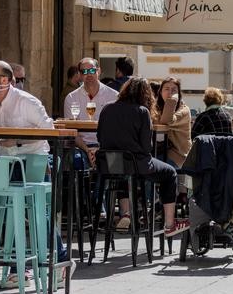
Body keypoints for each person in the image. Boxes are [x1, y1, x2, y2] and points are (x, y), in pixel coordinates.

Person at [0, 60, 73, 286]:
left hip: (33, 159)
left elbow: (48, 131)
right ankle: (16, 270)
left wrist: (18, 140)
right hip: (7, 160)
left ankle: (60, 260)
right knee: (12, 213)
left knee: (39, 213)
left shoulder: (27, 101)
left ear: (3, 80)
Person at [97, 77, 189, 236]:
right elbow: (147, 147)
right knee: (169, 173)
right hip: (138, 165)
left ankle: (126, 213)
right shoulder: (142, 111)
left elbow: (100, 137)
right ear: (146, 94)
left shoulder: (106, 109)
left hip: (109, 165)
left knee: (123, 175)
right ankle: (169, 224)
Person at [64, 58, 118, 168]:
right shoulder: (71, 98)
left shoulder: (114, 96)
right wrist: (88, 150)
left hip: (107, 146)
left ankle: (105, 185)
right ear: (79, 74)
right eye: (84, 72)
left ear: (98, 71)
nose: (89, 74)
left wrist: (100, 149)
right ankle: (80, 186)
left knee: (115, 163)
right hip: (81, 147)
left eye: (92, 71)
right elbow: (72, 131)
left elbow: (117, 128)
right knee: (75, 159)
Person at [152, 77, 192, 168]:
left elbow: (167, 121)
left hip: (175, 155)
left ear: (179, 94)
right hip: (157, 152)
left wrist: (172, 101)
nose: (170, 92)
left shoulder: (184, 110)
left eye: (174, 90)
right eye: (166, 89)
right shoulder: (155, 108)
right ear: (160, 92)